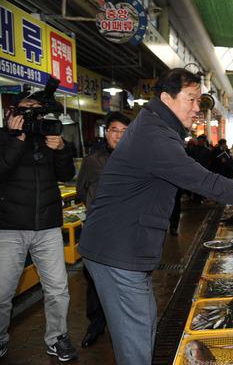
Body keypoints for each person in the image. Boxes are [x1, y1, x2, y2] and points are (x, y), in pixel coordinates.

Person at [77, 68, 233, 365]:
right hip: (117, 249)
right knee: (135, 337)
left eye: (199, 100)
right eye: (190, 99)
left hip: (123, 245)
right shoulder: (154, 135)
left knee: (144, 322)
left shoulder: (158, 129)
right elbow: (203, 181)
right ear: (166, 98)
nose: (196, 108)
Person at [0, 87, 78, 361]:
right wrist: (15, 139)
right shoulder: (3, 138)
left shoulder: (50, 138)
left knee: (58, 289)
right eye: (26, 110)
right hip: (9, 228)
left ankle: (57, 338)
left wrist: (60, 150)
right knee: (2, 292)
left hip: (47, 227)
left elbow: (68, 175)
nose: (32, 116)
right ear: (13, 112)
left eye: (37, 111)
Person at [76, 111, 130, 348]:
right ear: (106, 132)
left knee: (126, 281)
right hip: (98, 231)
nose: (118, 136)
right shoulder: (93, 160)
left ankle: (124, 327)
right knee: (96, 281)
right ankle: (96, 324)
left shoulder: (137, 159)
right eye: (114, 130)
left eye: (124, 131)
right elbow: (80, 191)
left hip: (126, 231)